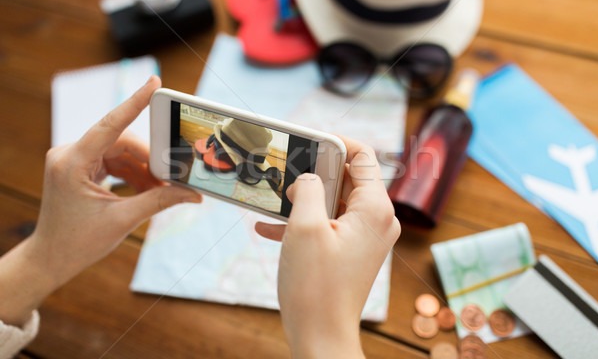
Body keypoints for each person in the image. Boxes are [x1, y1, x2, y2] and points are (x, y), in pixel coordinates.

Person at [0, 77, 400, 358]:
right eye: (210, 144)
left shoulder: (256, 177)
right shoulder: (197, 155)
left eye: (223, 154)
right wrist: (327, 339)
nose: (209, 155)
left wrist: (41, 259)